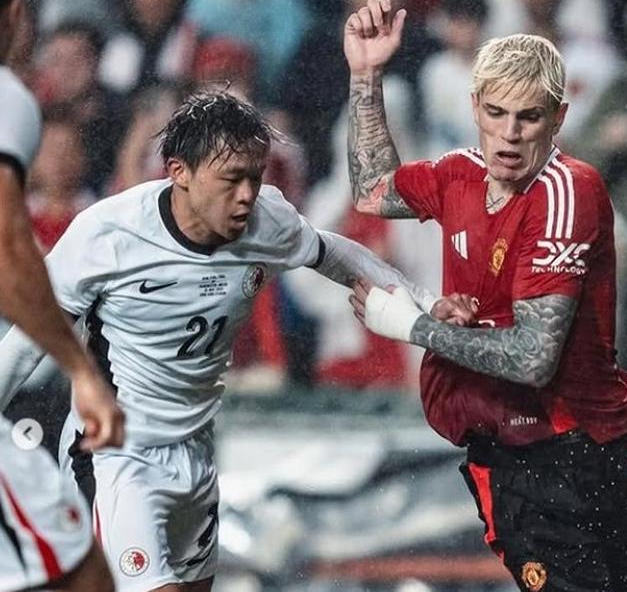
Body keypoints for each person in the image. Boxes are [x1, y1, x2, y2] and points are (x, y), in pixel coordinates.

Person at [0, 89, 446, 592]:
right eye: (231, 179)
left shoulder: (266, 221)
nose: (247, 194)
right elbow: (29, 338)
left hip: (196, 453)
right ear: (179, 171)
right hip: (118, 456)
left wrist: (424, 306)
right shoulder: (108, 234)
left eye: (255, 177)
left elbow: (335, 253)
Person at [343, 0, 627, 591]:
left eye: (529, 117)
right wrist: (366, 75)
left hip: (574, 456)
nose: (509, 135)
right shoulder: (457, 173)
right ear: (475, 107)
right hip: (513, 452)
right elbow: (373, 190)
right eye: (496, 113)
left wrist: (413, 326)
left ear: (558, 119)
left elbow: (534, 359)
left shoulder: (568, 193)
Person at [0, 0, 124, 591]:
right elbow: (8, 255)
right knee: (83, 573)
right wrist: (82, 371)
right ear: (16, 15)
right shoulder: (8, 98)